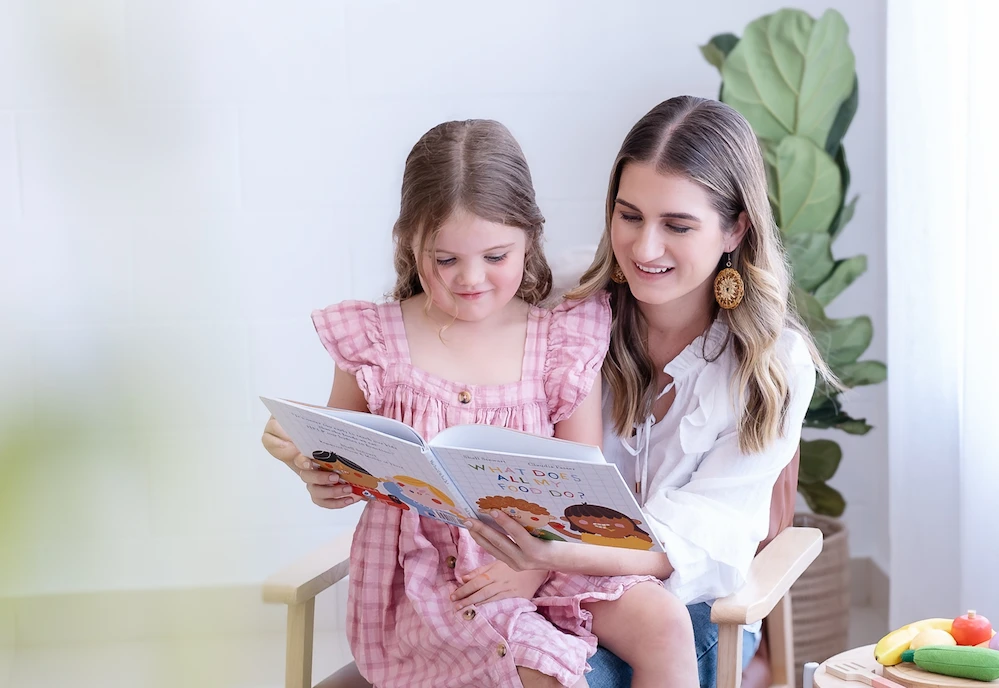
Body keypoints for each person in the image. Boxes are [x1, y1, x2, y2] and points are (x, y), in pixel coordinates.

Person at [260, 118, 698, 688]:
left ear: (529, 239)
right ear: (410, 243)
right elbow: (342, 468)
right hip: (436, 582)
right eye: (445, 260)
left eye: (496, 256)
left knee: (664, 620)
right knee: (538, 673)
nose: (471, 280)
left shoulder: (559, 340)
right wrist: (316, 476)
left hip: (548, 557)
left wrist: (538, 564)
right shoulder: (375, 341)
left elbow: (582, 482)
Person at [464, 95, 835, 688]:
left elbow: (705, 545)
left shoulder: (772, 365)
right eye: (629, 215)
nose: (643, 248)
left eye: (678, 225)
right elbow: (437, 343)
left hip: (687, 614)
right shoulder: (564, 305)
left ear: (735, 227)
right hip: (540, 582)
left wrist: (559, 556)